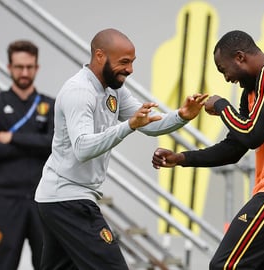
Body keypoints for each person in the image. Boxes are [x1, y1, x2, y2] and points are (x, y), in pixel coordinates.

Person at [34, 28, 208, 270]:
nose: (130, 69)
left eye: (132, 62)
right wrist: (128, 126)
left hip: (61, 199)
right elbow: (83, 147)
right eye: (124, 62)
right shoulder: (79, 91)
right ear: (99, 56)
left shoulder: (112, 88)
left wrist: (182, 116)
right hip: (69, 199)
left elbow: (148, 123)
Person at [152, 30, 264, 270]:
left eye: (223, 70)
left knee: (225, 265)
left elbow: (252, 135)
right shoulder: (253, 91)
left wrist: (222, 106)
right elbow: (234, 148)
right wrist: (181, 158)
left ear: (240, 57)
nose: (226, 78)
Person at [0, 40, 55, 270]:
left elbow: (53, 145)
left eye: (29, 67)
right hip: (6, 200)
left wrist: (12, 137)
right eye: (19, 67)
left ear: (37, 67)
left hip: (42, 200)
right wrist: (35, 142)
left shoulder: (50, 105)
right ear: (9, 67)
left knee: (47, 263)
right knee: (2, 264)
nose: (24, 73)